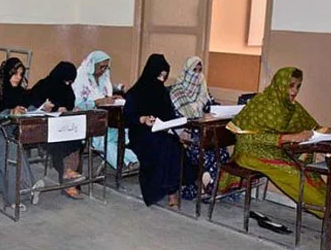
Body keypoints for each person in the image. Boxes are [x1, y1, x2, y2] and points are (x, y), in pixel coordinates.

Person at [230, 67, 331, 220]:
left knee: (306, 171)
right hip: (249, 151)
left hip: (274, 149)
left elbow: (312, 127)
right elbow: (245, 137)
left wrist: (329, 130)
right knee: (293, 173)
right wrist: (289, 138)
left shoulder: (290, 106)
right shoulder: (260, 102)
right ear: (281, 83)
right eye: (291, 85)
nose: (294, 91)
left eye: (298, 86)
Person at [123, 54, 196, 207]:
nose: (162, 79)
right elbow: (128, 117)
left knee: (174, 147)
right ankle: (170, 194)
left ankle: (172, 189)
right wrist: (143, 119)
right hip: (141, 133)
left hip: (162, 132)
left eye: (165, 75)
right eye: (160, 75)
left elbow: (168, 115)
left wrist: (175, 127)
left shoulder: (162, 92)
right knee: (164, 147)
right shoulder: (135, 92)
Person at [0, 58, 45, 210]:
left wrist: (43, 108)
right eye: (15, 74)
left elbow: (27, 106)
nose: (18, 77)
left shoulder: (18, 92)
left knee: (15, 147)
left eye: (21, 74)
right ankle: (15, 197)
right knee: (10, 148)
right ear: (6, 74)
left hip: (3, 130)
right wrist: (9, 112)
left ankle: (27, 189)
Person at [170, 56, 231, 195]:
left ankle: (212, 187)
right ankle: (206, 186)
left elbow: (212, 106)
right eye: (193, 70)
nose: (197, 74)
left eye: (199, 70)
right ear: (186, 71)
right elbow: (175, 117)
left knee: (221, 150)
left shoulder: (203, 90)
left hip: (205, 133)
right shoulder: (176, 92)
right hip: (187, 134)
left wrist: (216, 112)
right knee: (206, 153)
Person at [73, 50, 139, 171]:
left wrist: (111, 98)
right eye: (101, 67)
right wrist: (96, 102)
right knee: (102, 141)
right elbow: (77, 105)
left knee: (120, 135)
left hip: (106, 119)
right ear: (92, 65)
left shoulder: (103, 78)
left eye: (106, 67)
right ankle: (130, 161)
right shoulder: (80, 79)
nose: (103, 70)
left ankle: (130, 162)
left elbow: (104, 94)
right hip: (87, 119)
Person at [27, 61, 85, 199]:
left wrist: (71, 110)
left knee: (77, 139)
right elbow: (33, 105)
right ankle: (68, 179)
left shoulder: (67, 88)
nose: (67, 85)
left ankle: (69, 174)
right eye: (65, 81)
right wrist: (54, 108)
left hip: (63, 125)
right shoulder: (43, 85)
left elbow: (69, 103)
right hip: (44, 127)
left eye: (70, 82)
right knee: (61, 142)